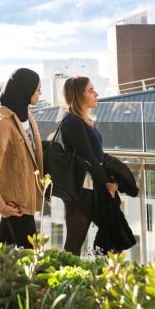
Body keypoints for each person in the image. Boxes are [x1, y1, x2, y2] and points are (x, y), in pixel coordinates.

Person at [0, 68, 44, 248]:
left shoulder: (26, 116)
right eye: (37, 89)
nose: (40, 92)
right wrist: (1, 206)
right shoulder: (4, 123)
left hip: (25, 198)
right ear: (25, 91)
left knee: (4, 253)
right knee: (33, 258)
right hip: (16, 204)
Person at [59, 76, 117, 256]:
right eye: (91, 91)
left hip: (92, 186)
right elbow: (88, 157)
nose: (96, 94)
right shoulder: (73, 122)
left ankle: (103, 277)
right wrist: (107, 181)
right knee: (74, 243)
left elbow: (95, 156)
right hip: (82, 189)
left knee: (114, 237)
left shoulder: (83, 121)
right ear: (78, 95)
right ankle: (67, 281)